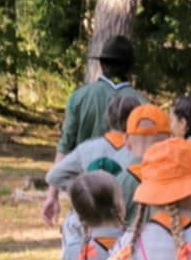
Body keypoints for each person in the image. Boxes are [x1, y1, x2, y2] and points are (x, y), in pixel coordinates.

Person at [41, 37, 137, 223]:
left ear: (102, 64)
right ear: (130, 68)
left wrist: (52, 195)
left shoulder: (79, 97)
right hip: (128, 208)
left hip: (87, 205)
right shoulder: (143, 104)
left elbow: (65, 144)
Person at [43, 87, 142, 205]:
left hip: (91, 212)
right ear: (137, 121)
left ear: (108, 118)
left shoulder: (87, 148)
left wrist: (84, 192)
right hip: (127, 212)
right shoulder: (140, 153)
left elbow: (53, 176)